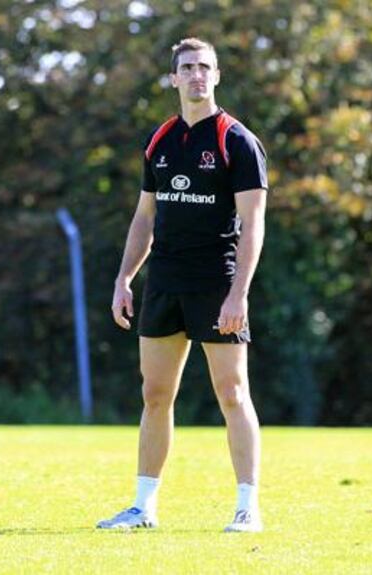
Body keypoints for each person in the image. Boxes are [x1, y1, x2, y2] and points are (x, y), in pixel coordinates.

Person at [96, 38, 269, 533]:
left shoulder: (237, 140)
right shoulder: (161, 140)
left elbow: (253, 224)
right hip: (164, 282)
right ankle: (142, 507)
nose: (196, 76)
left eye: (204, 68)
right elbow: (144, 216)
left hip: (216, 282)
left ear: (217, 76)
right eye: (187, 68)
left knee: (233, 393)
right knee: (155, 393)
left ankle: (246, 508)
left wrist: (239, 292)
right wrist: (124, 279)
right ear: (174, 78)